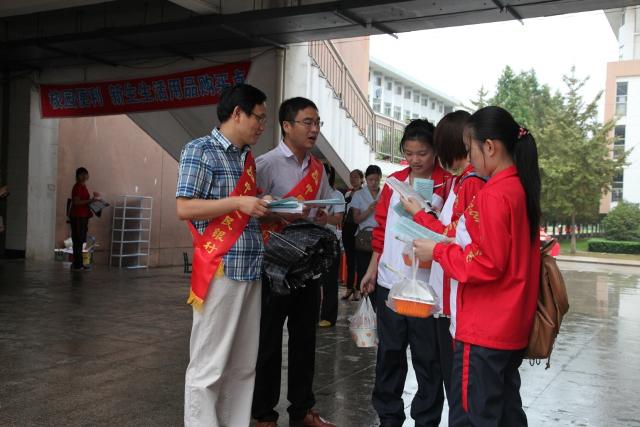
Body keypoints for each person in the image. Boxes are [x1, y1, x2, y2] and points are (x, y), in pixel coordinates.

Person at [413, 106, 541, 427]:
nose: (469, 158)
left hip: (485, 326)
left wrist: (438, 251)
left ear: (490, 147)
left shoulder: (494, 194)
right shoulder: (519, 188)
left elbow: (485, 263)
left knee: (472, 416)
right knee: (507, 413)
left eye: (470, 149)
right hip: (510, 323)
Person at [176, 83, 271, 427]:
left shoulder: (246, 157)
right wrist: (238, 202)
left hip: (250, 268)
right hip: (220, 269)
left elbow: (241, 210)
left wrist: (261, 205)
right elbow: (185, 207)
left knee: (243, 366)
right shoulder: (200, 150)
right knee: (208, 366)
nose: (262, 126)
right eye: (258, 118)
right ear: (237, 113)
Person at [360, 119, 451, 427]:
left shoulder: (447, 184)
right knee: (390, 352)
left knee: (428, 358)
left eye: (422, 153)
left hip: (427, 289)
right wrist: (372, 271)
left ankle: (426, 418)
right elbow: (381, 229)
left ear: (435, 151)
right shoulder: (395, 182)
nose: (415, 160)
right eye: (409, 153)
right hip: (391, 281)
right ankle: (388, 415)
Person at [253, 97, 336, 427]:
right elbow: (252, 214)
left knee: (305, 339)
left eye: (317, 123)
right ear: (287, 126)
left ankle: (302, 410)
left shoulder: (318, 169)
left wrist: (321, 215)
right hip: (274, 265)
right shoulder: (265, 165)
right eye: (307, 122)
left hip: (306, 265)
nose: (314, 129)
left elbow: (321, 208)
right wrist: (284, 211)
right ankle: (264, 415)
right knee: (269, 341)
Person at [400, 110, 485, 403]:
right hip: (446, 293)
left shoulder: (470, 182)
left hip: (454, 297)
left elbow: (451, 235)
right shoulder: (462, 181)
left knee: (458, 387)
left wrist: (419, 214)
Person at [350, 164, 382, 302]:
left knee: (379, 273)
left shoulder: (384, 194)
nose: (373, 183)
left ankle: (375, 305)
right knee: (363, 270)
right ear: (366, 179)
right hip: (364, 237)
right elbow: (356, 219)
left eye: (376, 180)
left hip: (380, 237)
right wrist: (369, 210)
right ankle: (366, 303)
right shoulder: (358, 194)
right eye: (370, 180)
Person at [318, 164, 345, 328]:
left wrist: (322, 218)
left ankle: (328, 316)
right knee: (311, 280)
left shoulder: (337, 195)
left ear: (329, 175)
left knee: (329, 280)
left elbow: (338, 219)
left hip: (329, 239)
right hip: (311, 239)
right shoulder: (312, 191)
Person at [341, 169, 364, 300]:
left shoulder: (365, 194)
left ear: (361, 179)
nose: (353, 179)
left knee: (359, 260)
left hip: (358, 228)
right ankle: (349, 288)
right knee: (350, 260)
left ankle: (358, 289)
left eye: (356, 177)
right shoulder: (348, 193)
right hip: (347, 228)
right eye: (351, 177)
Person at [69, 167, 94, 271]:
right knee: (77, 240)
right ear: (77, 176)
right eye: (81, 174)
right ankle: (77, 265)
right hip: (77, 216)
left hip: (83, 216)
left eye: (85, 174)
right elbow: (76, 202)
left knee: (80, 240)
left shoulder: (84, 186)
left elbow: (85, 200)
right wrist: (90, 201)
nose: (84, 176)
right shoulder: (77, 186)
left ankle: (78, 263)